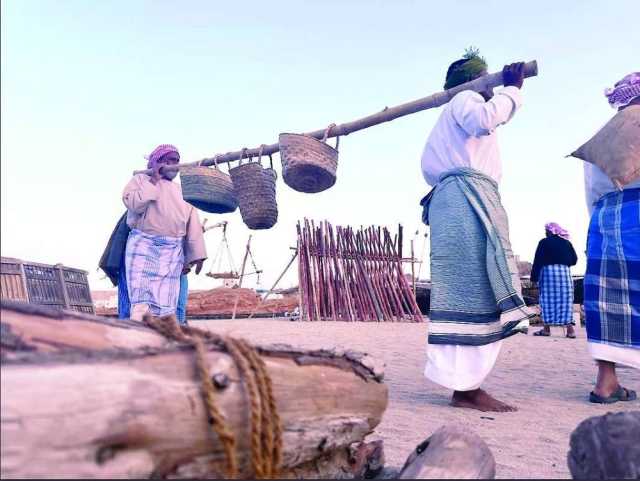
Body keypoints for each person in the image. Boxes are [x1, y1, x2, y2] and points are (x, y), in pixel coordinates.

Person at [419, 49, 533, 412]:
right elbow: (484, 119)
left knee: (469, 288)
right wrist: (513, 90)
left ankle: (465, 385)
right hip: (465, 200)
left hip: (462, 200)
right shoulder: (466, 100)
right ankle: (466, 389)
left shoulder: (450, 115)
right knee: (474, 287)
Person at [582, 72, 640, 404]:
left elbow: (592, 193)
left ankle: (606, 382)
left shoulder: (603, 137)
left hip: (607, 219)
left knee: (610, 302)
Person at [122, 144, 207, 321]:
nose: (173, 164)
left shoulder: (183, 190)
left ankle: (163, 340)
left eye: (176, 161)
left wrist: (196, 256)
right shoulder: (140, 180)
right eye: (169, 160)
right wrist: (153, 180)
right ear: (157, 162)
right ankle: (137, 337)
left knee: (167, 305)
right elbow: (135, 205)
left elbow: (193, 225)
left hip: (172, 251)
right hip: (143, 245)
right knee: (141, 301)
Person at [531, 222, 578, 338]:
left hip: (548, 274)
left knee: (547, 300)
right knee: (565, 301)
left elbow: (538, 261)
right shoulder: (567, 243)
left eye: (546, 231)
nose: (545, 233)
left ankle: (546, 330)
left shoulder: (544, 242)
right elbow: (574, 260)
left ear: (551, 231)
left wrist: (534, 277)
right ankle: (570, 331)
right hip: (564, 274)